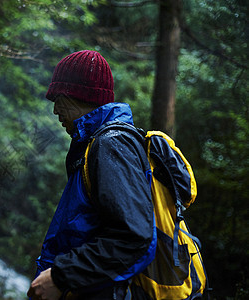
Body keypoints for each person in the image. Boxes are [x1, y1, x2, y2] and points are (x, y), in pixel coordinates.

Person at [27, 50, 157, 300]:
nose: (55, 110)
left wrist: (62, 276)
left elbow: (134, 236)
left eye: (58, 98)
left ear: (79, 95)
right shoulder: (92, 145)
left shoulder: (110, 145)